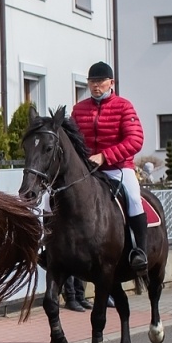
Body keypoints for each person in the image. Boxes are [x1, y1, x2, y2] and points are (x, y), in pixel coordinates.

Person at [70, 62, 148, 271]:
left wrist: (105, 156)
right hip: (87, 169)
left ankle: (140, 251)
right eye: (92, 82)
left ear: (111, 83)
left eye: (100, 82)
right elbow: (71, 140)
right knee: (54, 196)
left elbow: (135, 140)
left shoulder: (124, 106)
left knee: (133, 198)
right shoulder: (79, 109)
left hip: (117, 167)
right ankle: (48, 248)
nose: (96, 86)